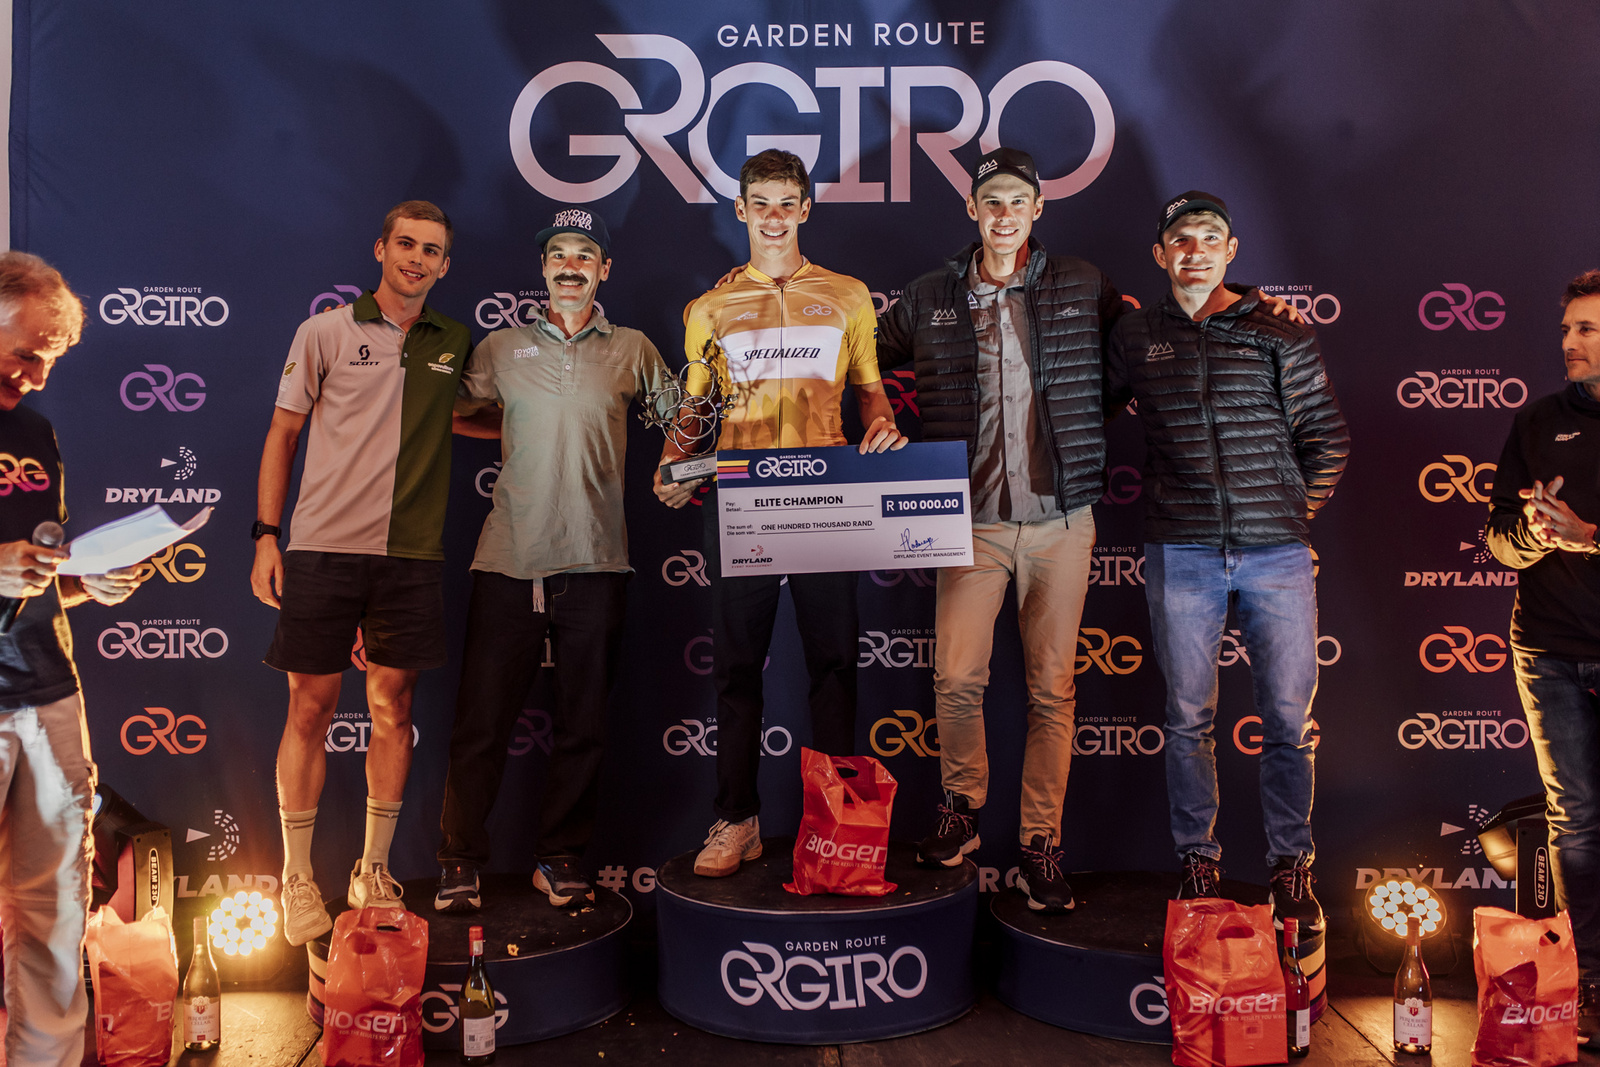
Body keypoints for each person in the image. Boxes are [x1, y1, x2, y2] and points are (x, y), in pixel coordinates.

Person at [875, 147, 1123, 912]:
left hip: (1061, 521)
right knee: (956, 678)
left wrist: (1251, 304)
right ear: (973, 210)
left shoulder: (1082, 283)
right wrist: (879, 413)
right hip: (969, 521)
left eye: (1018, 200)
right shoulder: (930, 294)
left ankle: (1042, 842)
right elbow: (863, 358)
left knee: (1052, 689)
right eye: (992, 201)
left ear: (1037, 209)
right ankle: (962, 809)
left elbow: (1144, 350)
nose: (1005, 214)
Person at [654, 149, 906, 878]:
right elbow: (697, 407)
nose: (773, 216)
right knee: (737, 667)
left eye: (786, 202)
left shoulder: (849, 296)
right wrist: (670, 461)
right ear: (741, 210)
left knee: (835, 663)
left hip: (827, 496)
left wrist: (884, 429)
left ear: (805, 210)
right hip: (743, 499)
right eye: (759, 203)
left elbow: (871, 393)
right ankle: (736, 819)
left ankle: (834, 827)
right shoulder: (708, 309)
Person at [1105, 191, 1347, 929]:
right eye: (1181, 239)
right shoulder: (1136, 334)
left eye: (1210, 238)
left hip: (1276, 555)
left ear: (1231, 251)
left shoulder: (1279, 328)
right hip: (1180, 548)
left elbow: (1327, 439)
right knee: (1187, 717)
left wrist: (1285, 516)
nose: (1196, 251)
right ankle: (1198, 862)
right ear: (1160, 254)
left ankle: (1290, 865)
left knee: (1287, 719)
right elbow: (1088, 406)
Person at [434, 208, 670, 912]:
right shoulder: (500, 348)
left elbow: (681, 420)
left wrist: (679, 463)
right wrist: (511, 427)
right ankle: (458, 861)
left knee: (584, 727)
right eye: (558, 254)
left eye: (584, 255)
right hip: (508, 559)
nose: (570, 266)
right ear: (543, 268)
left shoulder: (632, 348)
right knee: (481, 724)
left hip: (597, 561)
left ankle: (559, 858)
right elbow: (453, 410)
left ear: (604, 270)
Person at [250, 201, 470, 944]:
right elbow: (283, 432)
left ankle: (373, 868)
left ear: (445, 265)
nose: (416, 259)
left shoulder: (453, 341)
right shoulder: (324, 331)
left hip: (410, 555)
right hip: (321, 550)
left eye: (431, 250)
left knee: (394, 710)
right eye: (405, 244)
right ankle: (296, 876)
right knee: (308, 710)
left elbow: (461, 414)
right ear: (380, 249)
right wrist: (267, 538)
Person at [0, 252, 143, 1065]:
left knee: (57, 910)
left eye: (52, 358)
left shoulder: (36, 431)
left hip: (50, 693)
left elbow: (35, 576)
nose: (39, 374)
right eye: (28, 352)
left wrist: (88, 583)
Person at [1486, 268, 1600, 1035]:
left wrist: (1589, 537)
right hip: (1548, 649)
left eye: (1586, 328)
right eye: (1566, 328)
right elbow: (1500, 536)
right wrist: (1531, 534)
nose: (1569, 341)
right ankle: (1590, 982)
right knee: (1578, 820)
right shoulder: (1537, 421)